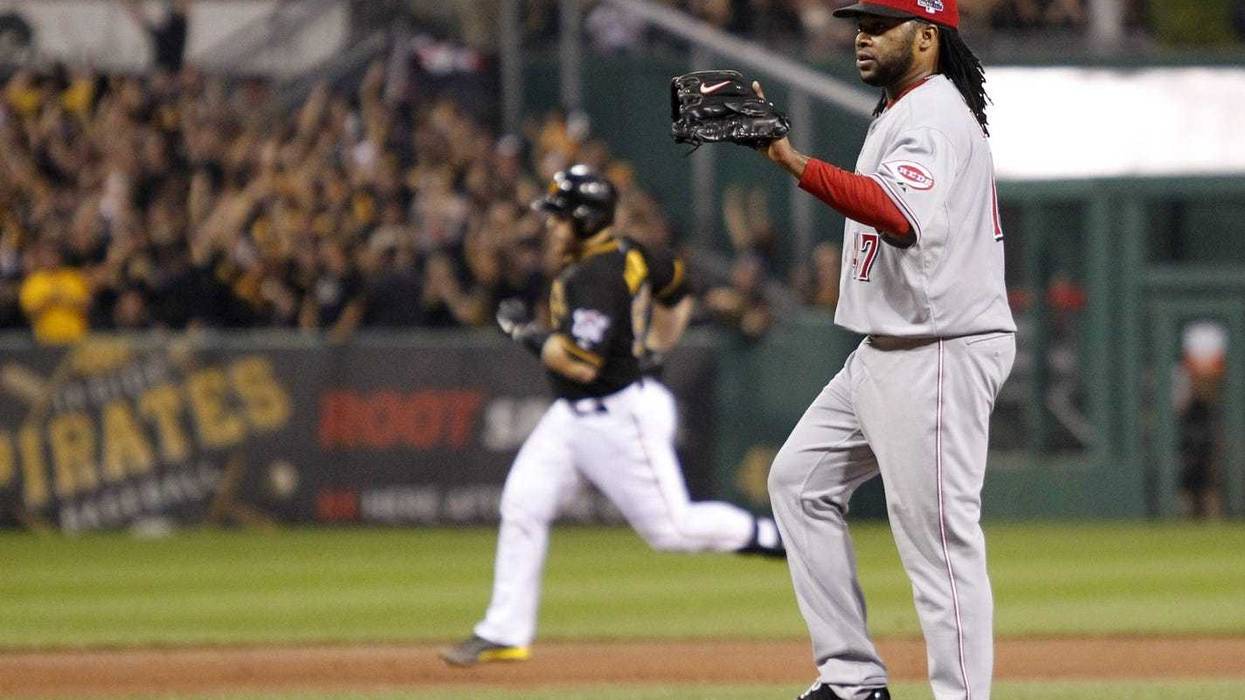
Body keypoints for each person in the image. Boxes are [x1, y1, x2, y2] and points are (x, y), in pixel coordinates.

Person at [753, 1, 1017, 698]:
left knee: (939, 548)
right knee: (798, 484)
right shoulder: (900, 110)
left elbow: (898, 217)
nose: (861, 37)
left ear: (927, 36)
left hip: (938, 350)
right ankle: (851, 681)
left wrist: (790, 160)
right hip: (886, 350)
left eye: (880, 25)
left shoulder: (932, 115)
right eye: (859, 25)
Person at [440, 164, 784, 667]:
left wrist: (524, 334)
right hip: (574, 417)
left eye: (558, 218)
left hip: (616, 416)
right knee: (522, 505)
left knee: (674, 529)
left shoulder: (595, 277)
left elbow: (580, 364)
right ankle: (504, 630)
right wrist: (656, 348)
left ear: (581, 220)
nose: (549, 226)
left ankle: (775, 537)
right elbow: (676, 290)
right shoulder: (631, 252)